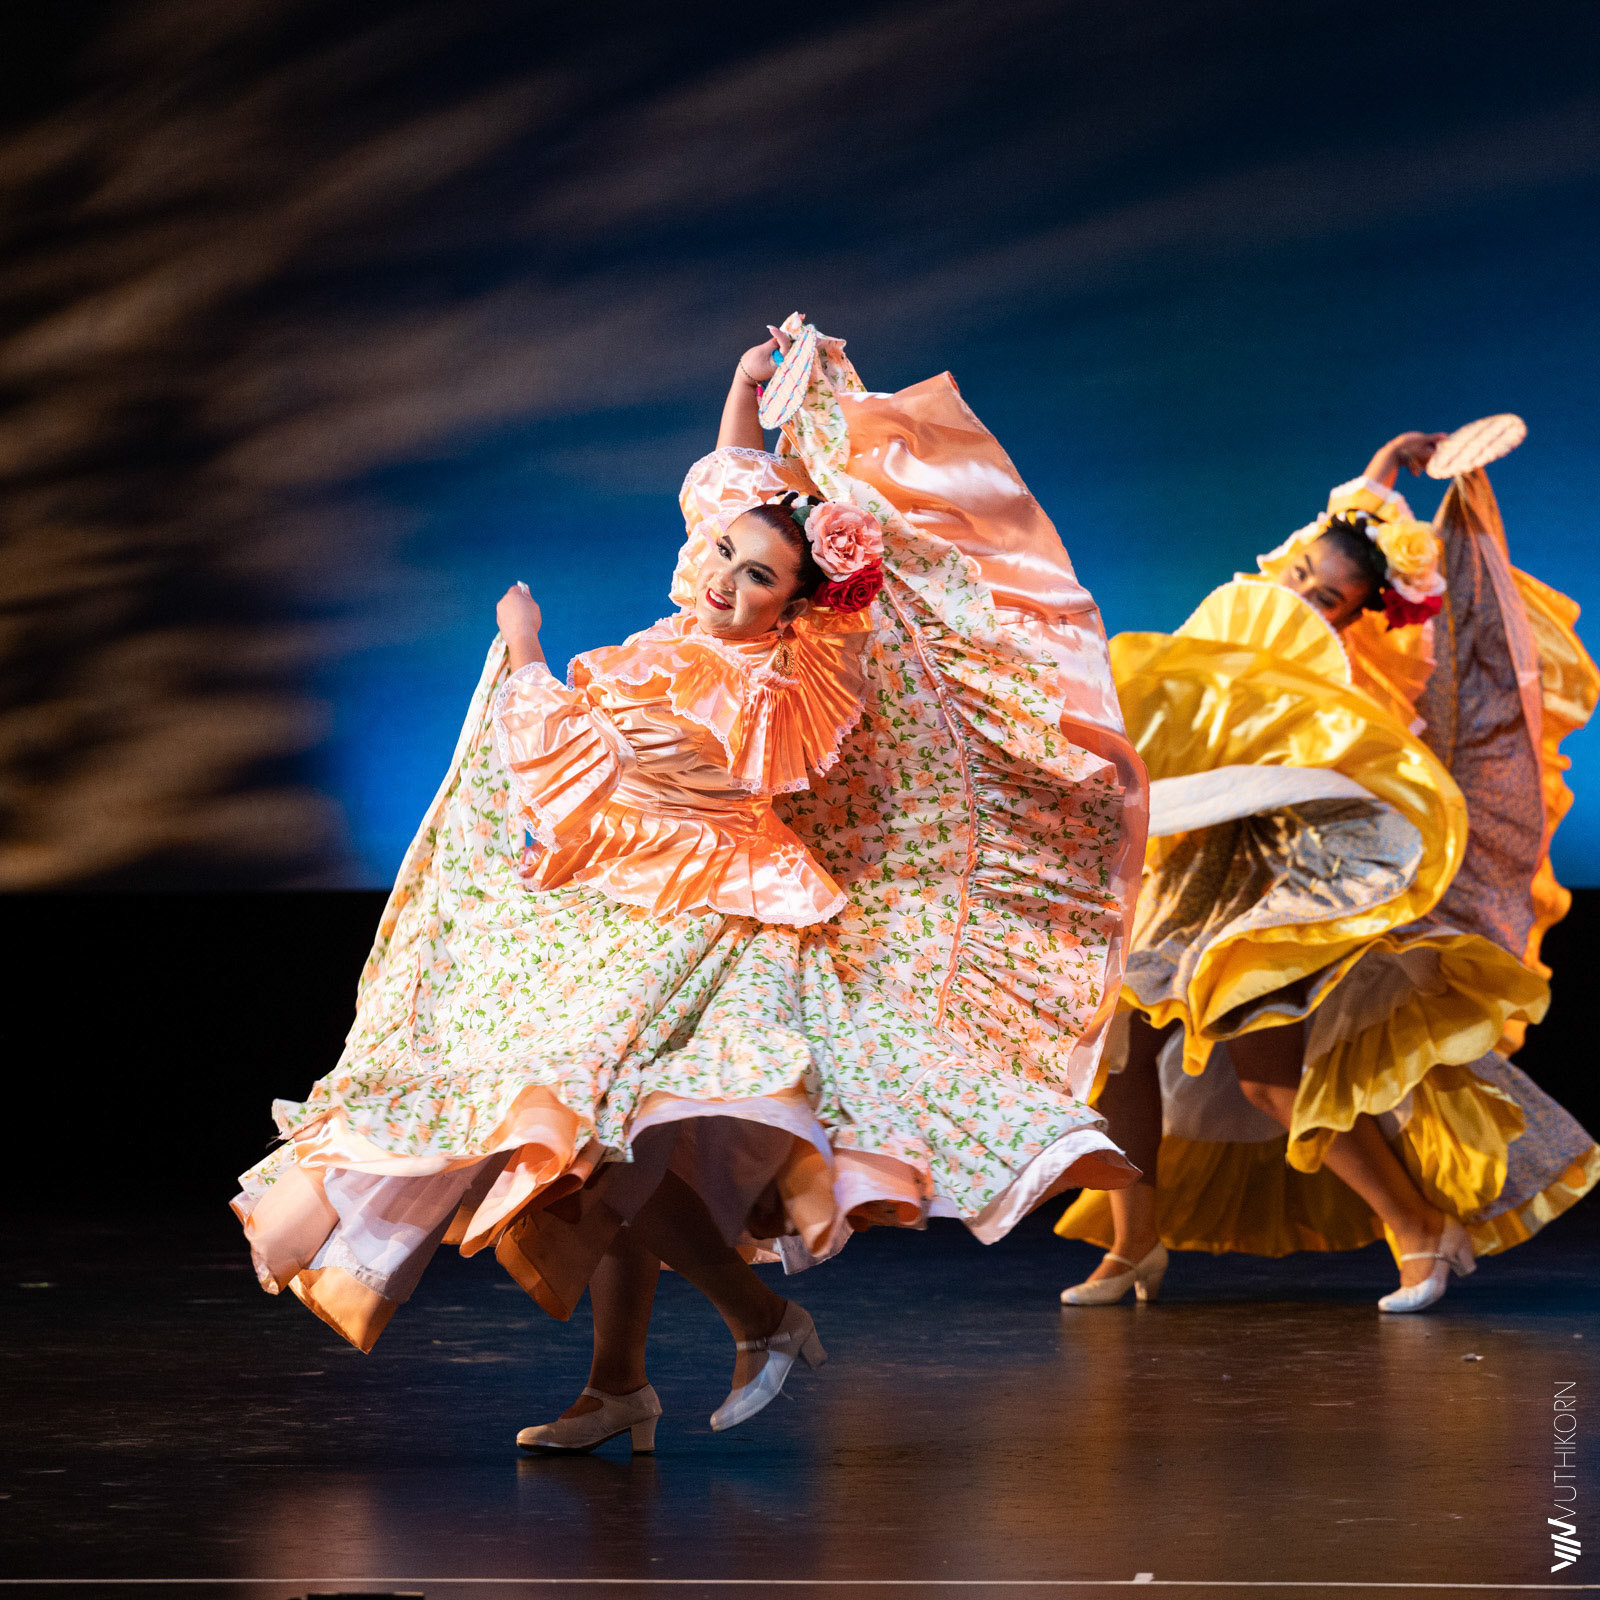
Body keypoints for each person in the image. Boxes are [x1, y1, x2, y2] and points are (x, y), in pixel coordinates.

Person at [233, 315, 1148, 1453]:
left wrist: (524, 649)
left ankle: (753, 1320)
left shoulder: (776, 686)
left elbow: (573, 760)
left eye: (758, 575)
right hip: (621, 903)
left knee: (595, 1145)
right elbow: (728, 485)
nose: (725, 579)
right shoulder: (679, 642)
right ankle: (627, 1382)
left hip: (707, 921)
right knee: (608, 1157)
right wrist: (747, 387)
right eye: (722, 555)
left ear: (794, 604)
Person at [1056, 431, 1599, 1312]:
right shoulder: (1233, 634)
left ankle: (1418, 1225)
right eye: (1305, 575)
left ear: (1356, 615)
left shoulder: (1341, 687)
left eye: (1329, 598)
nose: (1304, 595)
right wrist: (1386, 465)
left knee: (1268, 1076)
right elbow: (1336, 526)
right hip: (1182, 875)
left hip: (1268, 888)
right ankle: (1133, 1245)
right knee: (1118, 1054)